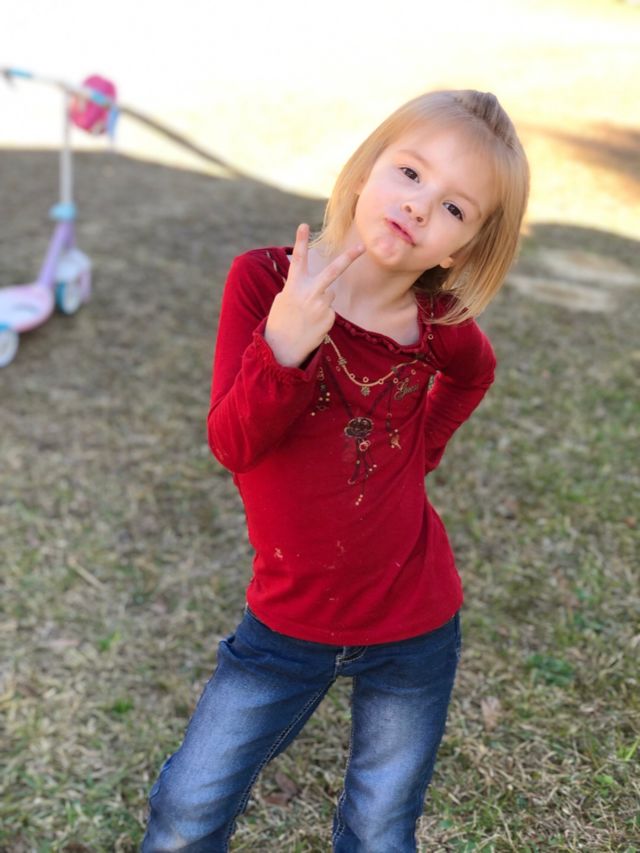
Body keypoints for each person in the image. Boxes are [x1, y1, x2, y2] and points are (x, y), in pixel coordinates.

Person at [142, 89, 529, 852]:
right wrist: (284, 344)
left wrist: (420, 453)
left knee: (380, 827)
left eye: (454, 208)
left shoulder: (437, 326)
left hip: (416, 620)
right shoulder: (265, 282)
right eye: (410, 172)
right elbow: (233, 443)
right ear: (365, 171)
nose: (420, 206)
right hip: (287, 621)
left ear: (459, 249)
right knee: (187, 809)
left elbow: (474, 374)